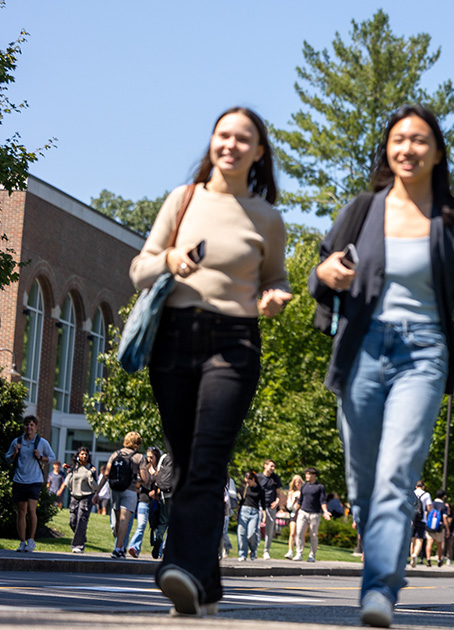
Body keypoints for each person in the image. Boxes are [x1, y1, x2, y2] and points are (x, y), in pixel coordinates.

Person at [311, 103, 454, 627]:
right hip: (363, 350)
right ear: (388, 149)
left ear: (437, 151)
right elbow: (322, 270)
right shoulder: (364, 210)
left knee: (397, 475)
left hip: (424, 354)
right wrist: (325, 273)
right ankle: (380, 567)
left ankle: (379, 590)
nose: (408, 148)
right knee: (362, 483)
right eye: (399, 139)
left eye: (420, 140)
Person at [130, 106, 291, 617]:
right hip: (175, 335)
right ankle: (207, 583)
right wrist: (170, 261)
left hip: (235, 341)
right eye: (224, 135)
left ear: (258, 151)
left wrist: (274, 297)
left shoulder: (267, 216)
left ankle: (177, 568)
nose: (231, 144)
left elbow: (279, 277)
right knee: (185, 460)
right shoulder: (183, 200)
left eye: (244, 138)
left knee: (207, 459)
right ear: (213, 141)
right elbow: (140, 267)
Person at [6, 415, 54, 552]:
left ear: (36, 427)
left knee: (31, 510)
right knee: (21, 512)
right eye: (27, 424)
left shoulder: (41, 442)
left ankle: (31, 540)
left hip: (34, 481)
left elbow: (52, 458)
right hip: (19, 480)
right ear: (24, 426)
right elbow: (7, 459)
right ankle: (22, 542)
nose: (29, 427)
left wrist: (40, 457)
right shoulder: (17, 441)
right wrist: (14, 453)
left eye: (32, 425)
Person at [104, 431, 149, 559]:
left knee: (118, 520)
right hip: (130, 490)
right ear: (137, 444)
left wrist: (98, 491)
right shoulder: (139, 457)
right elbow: (145, 479)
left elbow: (107, 474)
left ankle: (119, 546)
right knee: (124, 520)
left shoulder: (115, 454)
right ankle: (118, 548)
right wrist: (137, 478)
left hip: (115, 490)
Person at [128, 446, 161, 558]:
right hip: (144, 500)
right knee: (141, 525)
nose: (149, 460)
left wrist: (157, 493)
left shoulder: (161, 471)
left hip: (157, 502)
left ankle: (159, 550)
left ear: (157, 457)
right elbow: (138, 485)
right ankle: (134, 547)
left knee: (157, 528)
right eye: (148, 457)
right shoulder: (144, 469)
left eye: (151, 457)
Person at [294, 468, 332, 562]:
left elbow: (322, 500)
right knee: (299, 533)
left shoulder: (320, 486)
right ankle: (299, 553)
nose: (307, 476)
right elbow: (300, 500)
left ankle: (312, 555)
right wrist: (295, 511)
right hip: (303, 512)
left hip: (315, 514)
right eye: (306, 474)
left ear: (314, 475)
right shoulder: (304, 486)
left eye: (309, 474)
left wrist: (325, 511)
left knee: (313, 535)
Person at [65, 446, 98, 553]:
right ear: (78, 455)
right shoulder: (75, 467)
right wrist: (69, 471)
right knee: (72, 521)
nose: (84, 456)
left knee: (81, 519)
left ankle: (78, 545)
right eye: (82, 454)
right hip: (75, 495)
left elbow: (94, 486)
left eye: (86, 454)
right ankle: (81, 536)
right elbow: (68, 483)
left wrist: (90, 475)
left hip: (86, 496)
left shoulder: (91, 468)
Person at [152, 451, 176, 559]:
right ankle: (167, 547)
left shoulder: (165, 457)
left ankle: (158, 539)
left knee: (163, 521)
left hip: (164, 494)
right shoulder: (185, 455)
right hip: (177, 494)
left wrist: (156, 491)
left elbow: (158, 474)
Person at [236, 470, 265, 561]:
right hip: (243, 511)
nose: (248, 483)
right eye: (246, 482)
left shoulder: (260, 489)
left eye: (249, 481)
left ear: (253, 479)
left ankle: (253, 551)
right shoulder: (245, 488)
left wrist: (264, 515)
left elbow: (263, 503)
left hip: (254, 512)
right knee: (241, 533)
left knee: (251, 533)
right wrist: (237, 512)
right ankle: (243, 554)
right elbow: (241, 501)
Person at [257, 460, 282, 559]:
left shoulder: (275, 478)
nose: (272, 468)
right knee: (255, 528)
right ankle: (253, 548)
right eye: (271, 466)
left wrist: (277, 501)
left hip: (271, 507)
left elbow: (278, 493)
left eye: (274, 467)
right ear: (265, 466)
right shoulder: (258, 477)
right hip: (259, 506)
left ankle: (266, 551)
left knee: (269, 530)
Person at [426, 489, 450, 567]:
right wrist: (447, 529)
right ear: (443, 497)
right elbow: (444, 518)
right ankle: (439, 560)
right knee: (439, 544)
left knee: (429, 543)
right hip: (439, 528)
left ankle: (428, 559)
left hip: (430, 527)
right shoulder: (444, 506)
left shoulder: (431, 504)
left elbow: (427, 514)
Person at [410, 481, 431, 566]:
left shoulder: (411, 493)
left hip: (412, 519)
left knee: (412, 540)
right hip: (422, 519)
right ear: (423, 486)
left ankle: (412, 557)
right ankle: (415, 554)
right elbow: (429, 508)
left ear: (416, 486)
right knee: (419, 539)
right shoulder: (426, 495)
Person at [283, 474, 304, 560]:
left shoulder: (304, 493)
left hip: (302, 515)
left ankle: (299, 552)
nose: (298, 484)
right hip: (294, 514)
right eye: (296, 482)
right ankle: (290, 551)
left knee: (300, 534)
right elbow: (289, 507)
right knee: (292, 533)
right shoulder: (291, 493)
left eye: (299, 482)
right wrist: (295, 501)